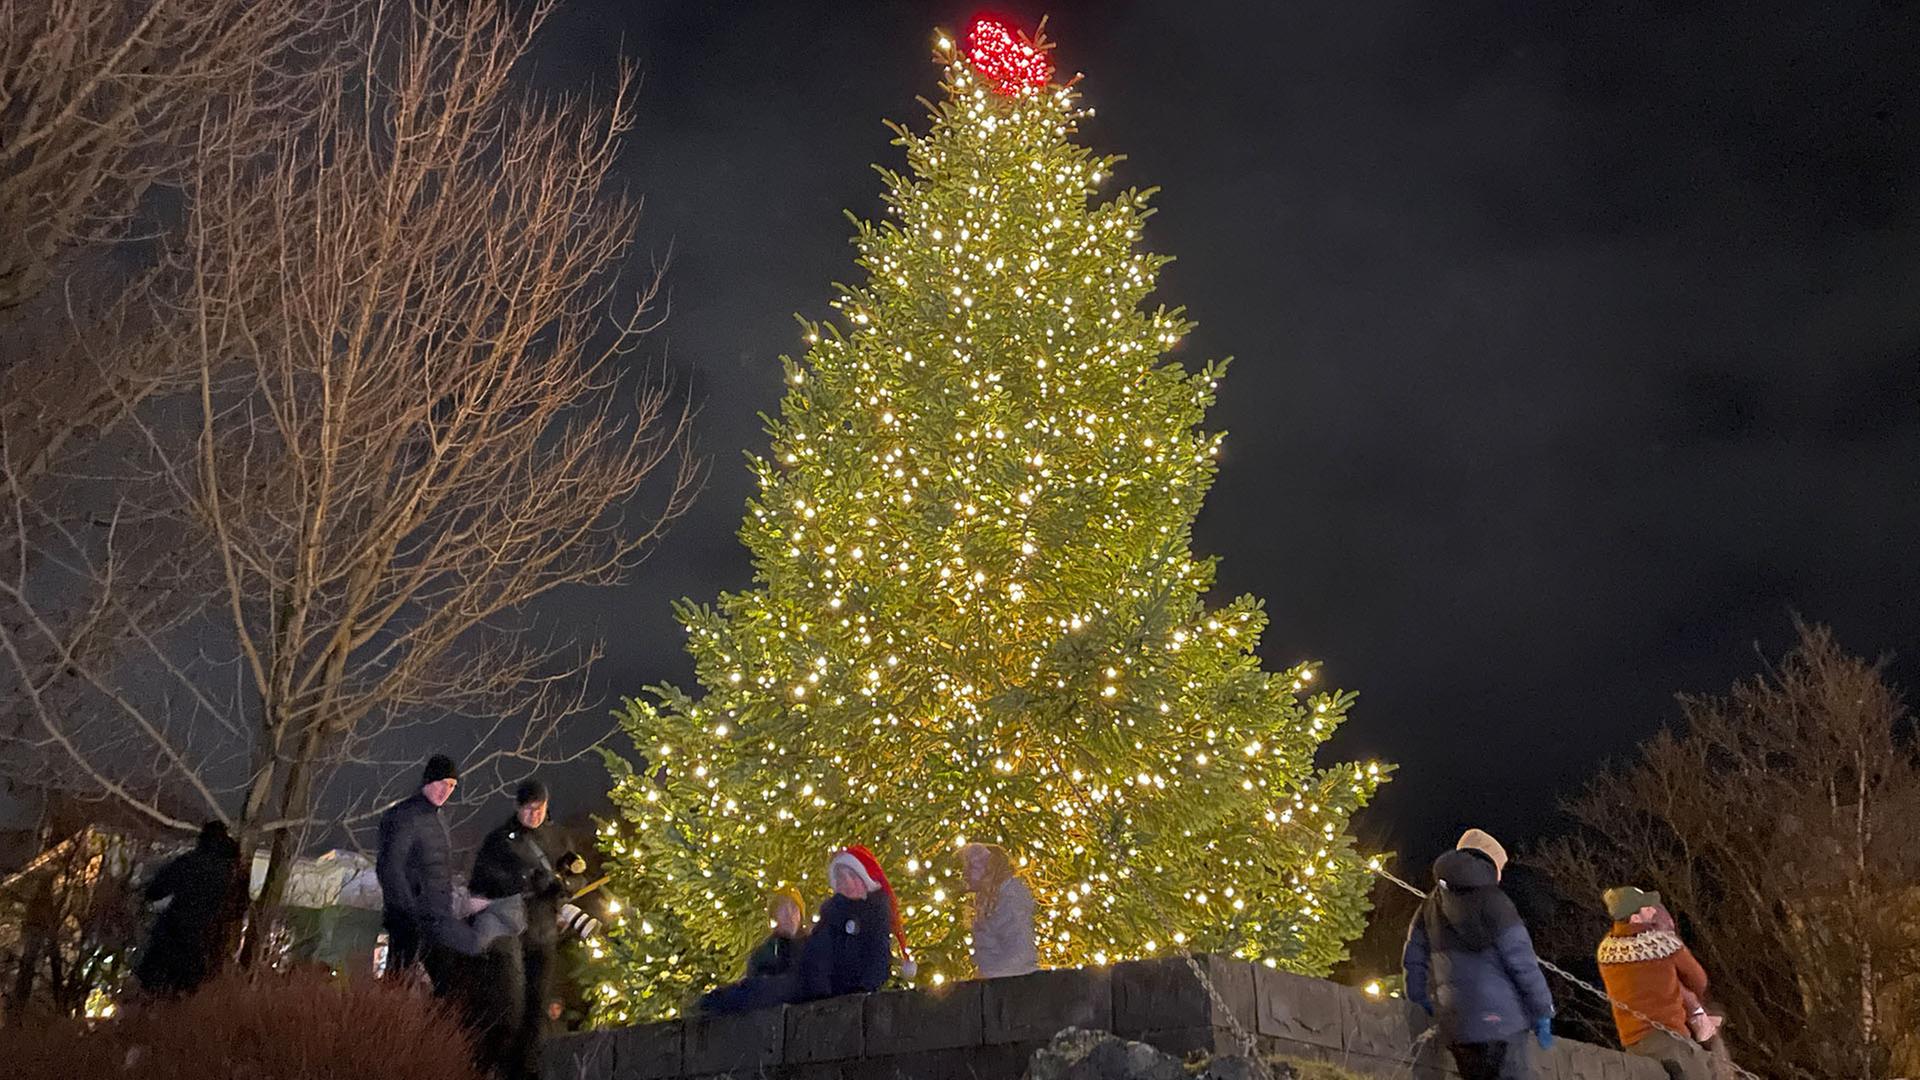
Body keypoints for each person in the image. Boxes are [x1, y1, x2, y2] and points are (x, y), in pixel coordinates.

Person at [1403, 829, 1555, 1080]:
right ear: (1489, 863)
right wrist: (1543, 1009)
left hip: (1458, 1025)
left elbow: (1414, 959)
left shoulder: (1429, 906)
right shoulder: (1494, 901)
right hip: (1504, 1021)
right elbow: (1522, 961)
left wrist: (1419, 998)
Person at [699, 845, 912, 1013]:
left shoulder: (874, 917)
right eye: (841, 877)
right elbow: (815, 956)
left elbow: (876, 964)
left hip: (835, 991)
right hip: (812, 985)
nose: (846, 883)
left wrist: (852, 990)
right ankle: (710, 1003)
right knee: (759, 991)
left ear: (864, 881)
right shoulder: (832, 914)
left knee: (768, 990)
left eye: (851, 876)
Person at [466, 779, 569, 1080]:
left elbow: (575, 875)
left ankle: (527, 1071)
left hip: (544, 933)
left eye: (540, 809)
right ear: (518, 807)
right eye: (529, 809)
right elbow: (482, 883)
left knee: (536, 1010)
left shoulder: (559, 838)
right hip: (510, 935)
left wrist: (562, 887)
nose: (534, 815)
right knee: (510, 1008)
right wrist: (525, 880)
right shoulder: (500, 841)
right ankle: (499, 1068)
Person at [376, 753, 482, 986]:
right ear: (428, 780)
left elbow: (438, 871)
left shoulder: (439, 819)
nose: (446, 790)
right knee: (398, 983)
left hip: (436, 918)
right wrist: (407, 912)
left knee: (447, 983)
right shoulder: (404, 816)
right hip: (411, 918)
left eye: (452, 786)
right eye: (442, 783)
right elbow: (390, 867)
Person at [1597, 886, 1715, 1080]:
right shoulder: (1662, 944)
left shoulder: (1606, 951)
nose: (1653, 910)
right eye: (1647, 908)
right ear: (1635, 919)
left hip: (1633, 1044)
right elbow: (1698, 980)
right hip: (1670, 1039)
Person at [134, 821, 242, 997]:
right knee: (190, 991)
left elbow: (157, 889)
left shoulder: (190, 862)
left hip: (175, 931)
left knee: (155, 984)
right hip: (211, 938)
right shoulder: (232, 871)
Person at [959, 842, 1038, 978]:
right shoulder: (988, 898)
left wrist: (991, 976)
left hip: (1012, 984)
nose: (965, 874)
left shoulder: (1009, 897)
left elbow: (1019, 951)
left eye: (972, 867)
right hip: (1000, 981)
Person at [742, 888, 809, 979]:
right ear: (775, 915)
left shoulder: (814, 947)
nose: (789, 914)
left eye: (794, 908)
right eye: (783, 908)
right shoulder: (762, 956)